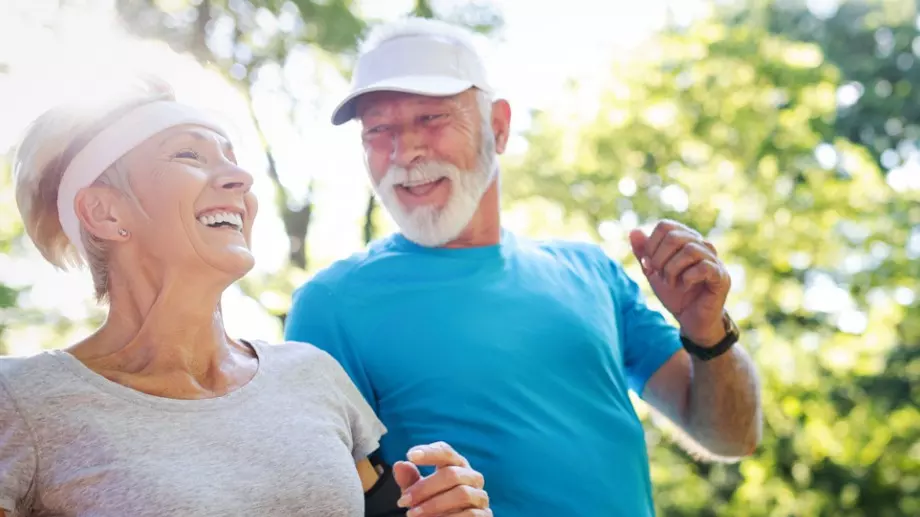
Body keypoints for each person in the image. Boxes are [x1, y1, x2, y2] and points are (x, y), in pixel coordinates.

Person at [284, 17, 763, 517]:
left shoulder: (591, 272)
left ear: (498, 126)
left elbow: (733, 436)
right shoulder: (331, 305)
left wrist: (709, 333)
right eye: (378, 130)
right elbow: (315, 499)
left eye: (431, 118)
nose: (405, 152)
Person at [0, 77, 493, 517]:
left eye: (232, 160)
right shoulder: (23, 401)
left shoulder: (311, 374)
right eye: (189, 155)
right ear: (106, 213)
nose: (242, 179)